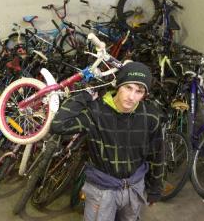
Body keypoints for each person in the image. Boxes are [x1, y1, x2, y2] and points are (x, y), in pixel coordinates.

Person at [50, 61, 164, 221]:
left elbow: (157, 153)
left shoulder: (150, 116)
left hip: (134, 188)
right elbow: (58, 125)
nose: (132, 97)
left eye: (139, 91)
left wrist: (155, 189)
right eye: (128, 88)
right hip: (101, 190)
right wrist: (85, 94)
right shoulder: (96, 111)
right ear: (118, 86)